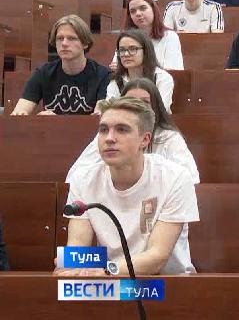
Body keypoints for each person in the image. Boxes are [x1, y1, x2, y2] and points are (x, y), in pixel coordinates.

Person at [55, 97, 199, 276]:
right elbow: (77, 246)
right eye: (103, 130)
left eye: (122, 130)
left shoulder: (175, 178)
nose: (109, 138)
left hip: (165, 283)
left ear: (145, 139)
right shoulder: (83, 179)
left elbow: (157, 257)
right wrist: (70, 265)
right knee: (63, 287)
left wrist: (106, 270)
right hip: (109, 283)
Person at [69, 77, 199, 184]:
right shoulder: (108, 135)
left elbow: (191, 180)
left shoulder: (169, 137)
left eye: (144, 103)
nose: (137, 108)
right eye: (130, 102)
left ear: (155, 107)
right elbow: (74, 176)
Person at [11, 14, 110, 116]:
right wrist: (33, 117)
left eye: (71, 38)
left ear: (85, 43)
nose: (64, 43)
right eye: (60, 38)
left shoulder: (103, 75)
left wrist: (58, 120)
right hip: (50, 127)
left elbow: (100, 115)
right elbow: (19, 112)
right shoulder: (43, 73)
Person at [105, 30, 174, 112]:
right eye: (122, 50)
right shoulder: (116, 81)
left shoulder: (162, 78)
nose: (126, 54)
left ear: (146, 51)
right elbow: (110, 111)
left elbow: (161, 110)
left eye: (133, 49)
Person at [125, 0, 184, 70]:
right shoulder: (126, 39)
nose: (138, 13)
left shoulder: (170, 37)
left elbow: (173, 71)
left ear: (153, 9)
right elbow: (117, 68)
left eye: (143, 8)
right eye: (132, 11)